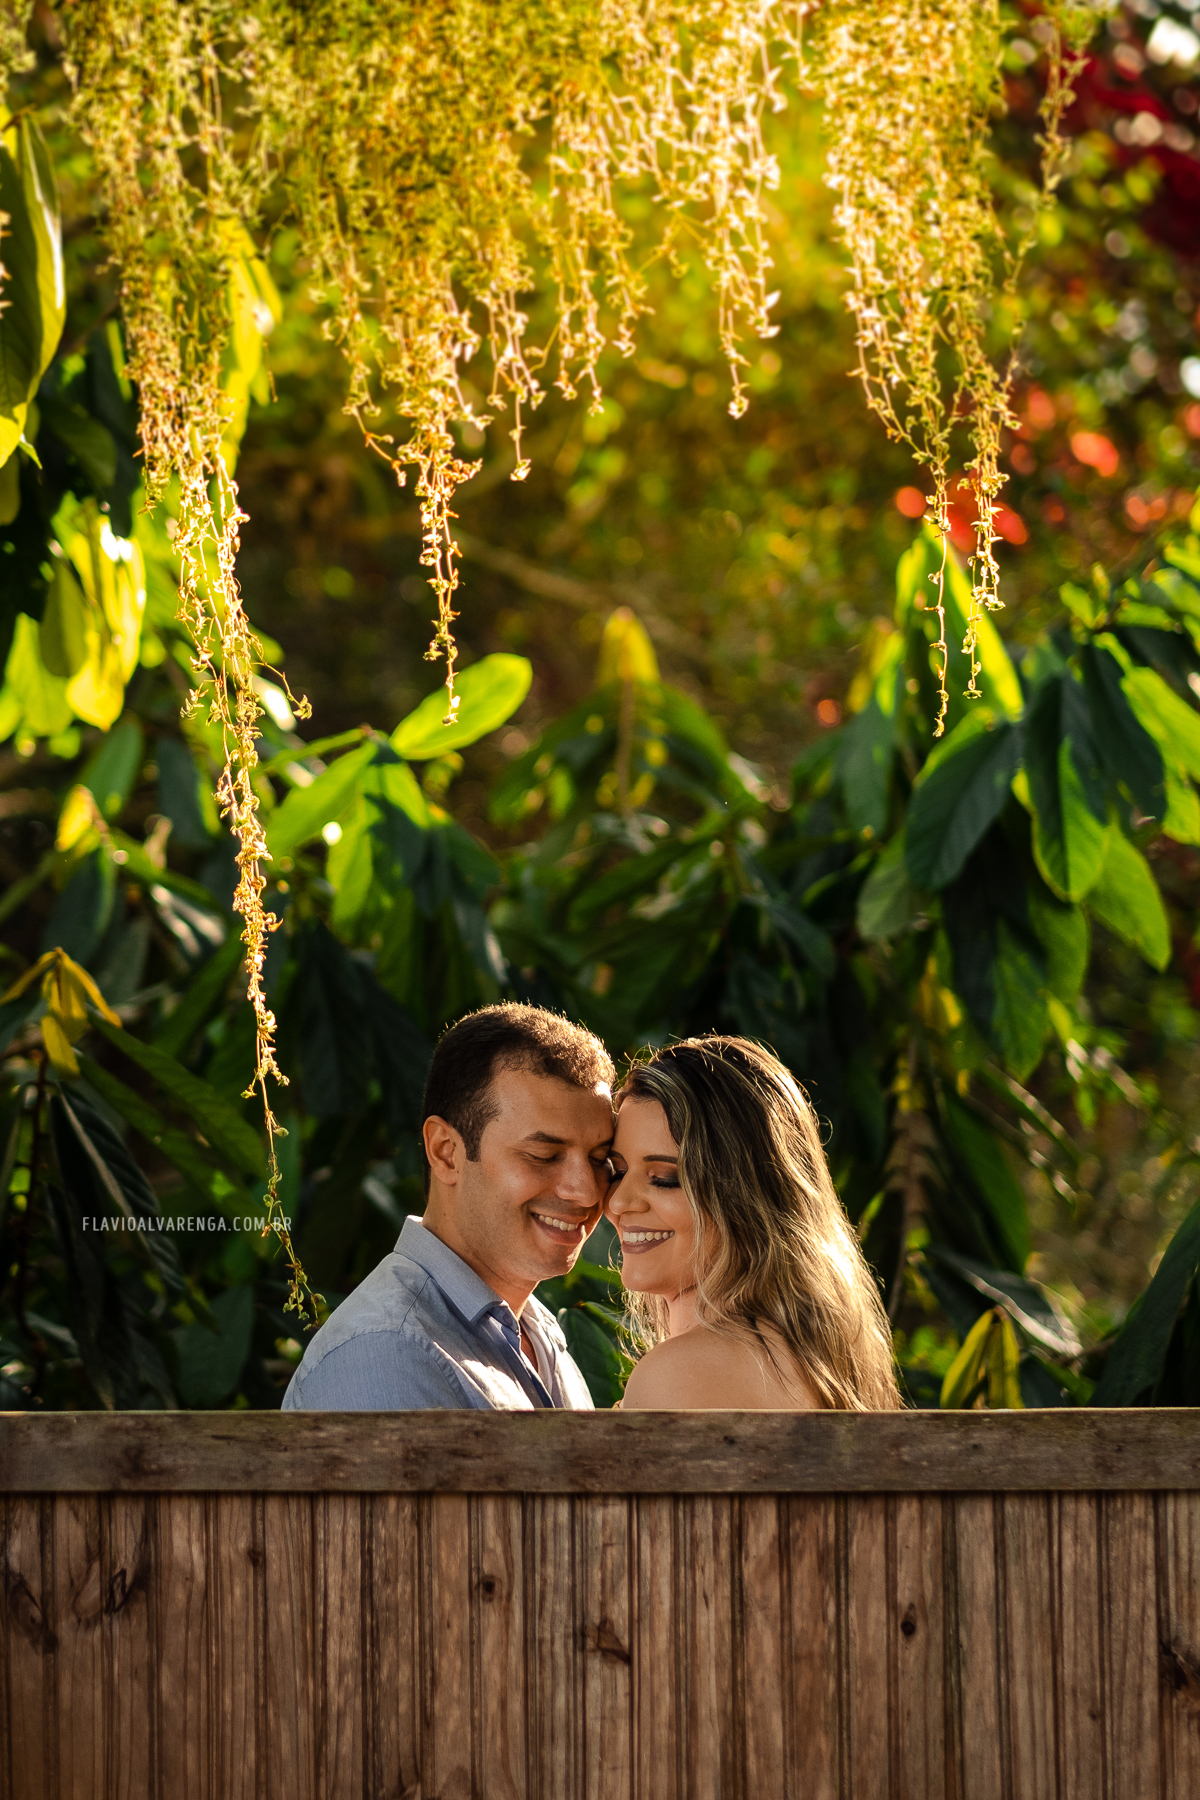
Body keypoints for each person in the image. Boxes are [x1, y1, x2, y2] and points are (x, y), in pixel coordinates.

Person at [283, 1003, 616, 1410]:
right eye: (543, 1155)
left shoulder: (538, 1331)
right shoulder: (385, 1353)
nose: (586, 1192)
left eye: (600, 1160)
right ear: (446, 1152)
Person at [606, 1034, 901, 1410]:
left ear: (745, 1195)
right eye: (615, 1170)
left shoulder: (684, 1373)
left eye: (665, 1178)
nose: (618, 1201)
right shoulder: (817, 1356)